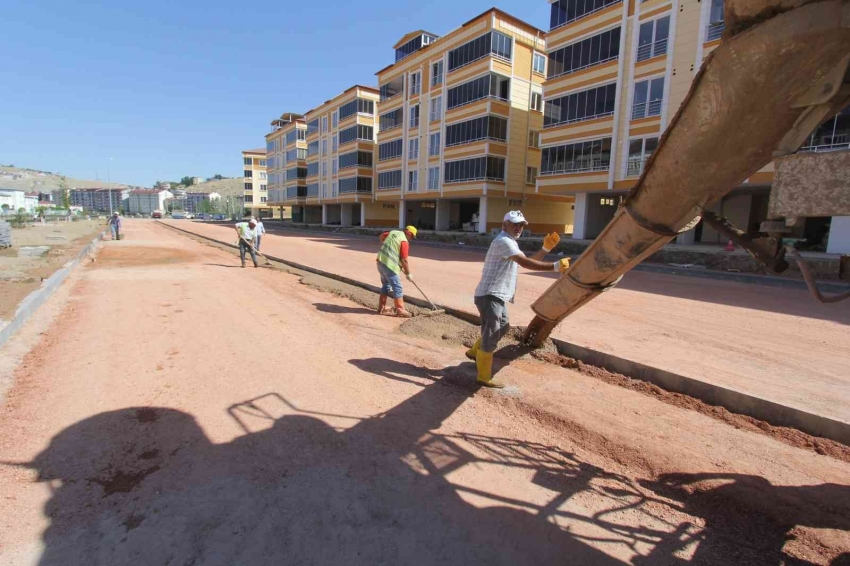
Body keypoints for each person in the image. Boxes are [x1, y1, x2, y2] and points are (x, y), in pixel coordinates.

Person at [466, 211, 570, 388]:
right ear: (504, 224)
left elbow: (527, 261)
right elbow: (526, 264)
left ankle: (475, 351)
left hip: (496, 295)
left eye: (521, 225)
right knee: (491, 334)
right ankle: (483, 376)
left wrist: (545, 249)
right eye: (515, 224)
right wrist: (555, 267)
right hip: (490, 295)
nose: (518, 228)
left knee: (504, 326)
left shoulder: (510, 243)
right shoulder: (504, 241)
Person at [376, 225, 417, 318]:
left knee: (386, 286)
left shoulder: (393, 232)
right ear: (409, 233)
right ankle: (400, 309)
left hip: (380, 261)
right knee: (397, 287)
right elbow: (404, 260)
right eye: (412, 236)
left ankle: (381, 308)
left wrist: (386, 247)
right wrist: (408, 273)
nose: (411, 239)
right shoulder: (404, 241)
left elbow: (381, 236)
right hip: (390, 266)